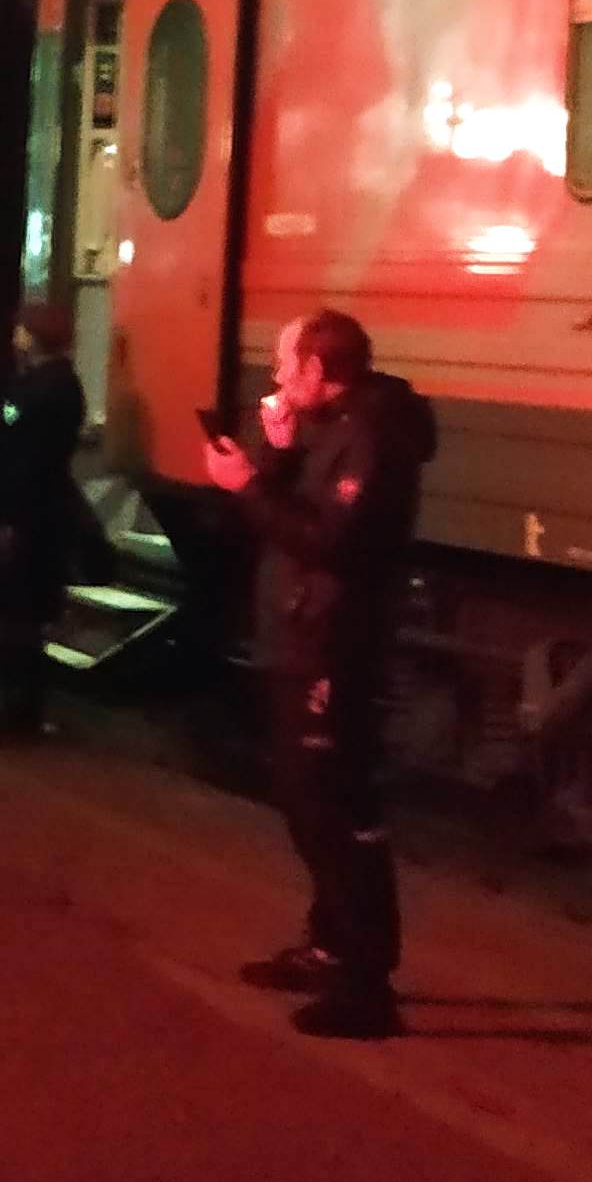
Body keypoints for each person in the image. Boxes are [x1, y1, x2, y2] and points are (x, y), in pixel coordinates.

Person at [204, 308, 436, 1040]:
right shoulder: (333, 427)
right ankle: (331, 946)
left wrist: (247, 484)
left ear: (316, 369)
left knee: (336, 808)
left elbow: (333, 541)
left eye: (285, 364)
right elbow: (293, 516)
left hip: (334, 646)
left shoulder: (374, 435)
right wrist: (274, 457)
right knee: (307, 803)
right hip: (303, 635)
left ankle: (367, 985)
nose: (276, 377)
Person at [0, 301, 104, 739]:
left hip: (26, 514)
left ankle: (19, 705)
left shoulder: (44, 387)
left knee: (9, 609)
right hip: (40, 511)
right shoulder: (59, 383)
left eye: (20, 330)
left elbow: (19, 447)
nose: (15, 336)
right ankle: (21, 704)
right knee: (21, 612)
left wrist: (3, 518)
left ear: (32, 335)